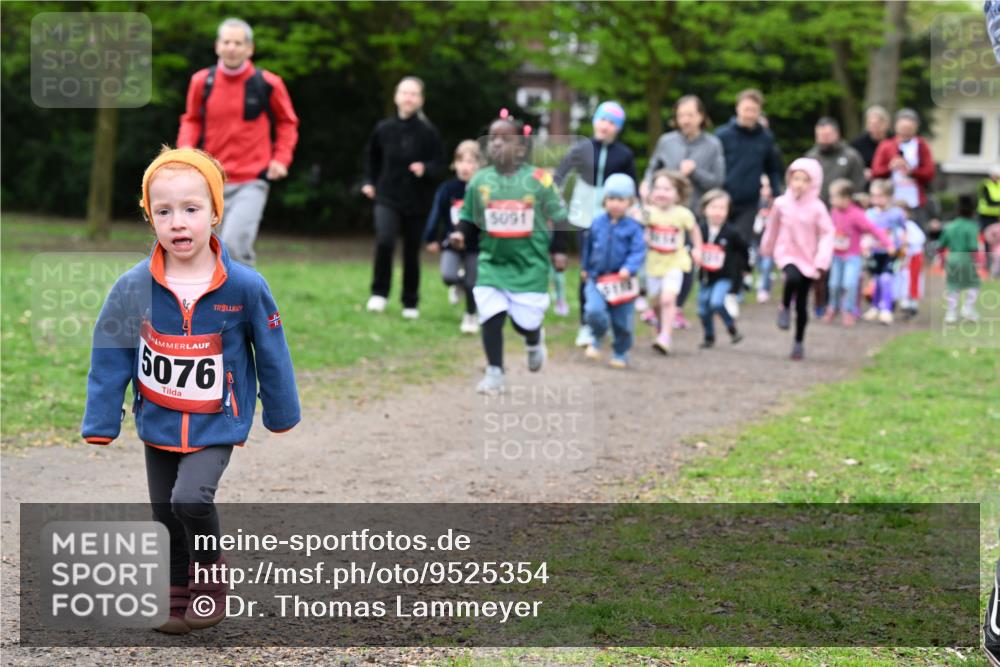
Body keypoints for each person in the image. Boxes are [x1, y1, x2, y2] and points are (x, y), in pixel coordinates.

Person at [81, 147, 301, 634]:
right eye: (164, 212)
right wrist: (101, 419)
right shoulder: (132, 286)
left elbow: (271, 349)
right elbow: (111, 351)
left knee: (190, 500)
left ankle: (210, 579)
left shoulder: (244, 285)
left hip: (217, 419)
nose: (178, 222)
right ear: (149, 217)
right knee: (164, 512)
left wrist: (280, 411)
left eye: (191, 209)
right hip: (157, 417)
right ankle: (178, 593)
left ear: (216, 212)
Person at [450, 110, 568, 394]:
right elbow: (468, 216)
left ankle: (533, 338)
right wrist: (460, 234)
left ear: (521, 146)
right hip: (492, 262)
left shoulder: (540, 179)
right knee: (490, 316)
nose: (497, 144)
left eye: (505, 139)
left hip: (530, 265)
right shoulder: (480, 181)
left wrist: (559, 251)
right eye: (492, 139)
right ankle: (494, 372)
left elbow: (560, 217)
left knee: (523, 323)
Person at [177, 18, 299, 267]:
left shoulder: (267, 84)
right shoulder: (202, 82)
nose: (231, 47)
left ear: (249, 49)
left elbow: (288, 122)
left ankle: (248, 303)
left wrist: (280, 159)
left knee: (234, 244)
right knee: (207, 250)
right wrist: (186, 150)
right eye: (226, 42)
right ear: (217, 46)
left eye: (238, 43)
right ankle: (211, 304)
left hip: (251, 180)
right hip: (210, 180)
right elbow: (191, 119)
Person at [553, 101, 636, 347]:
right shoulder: (582, 147)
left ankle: (608, 319)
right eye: (603, 120)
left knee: (611, 266)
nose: (606, 126)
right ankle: (586, 324)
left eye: (612, 123)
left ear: (618, 128)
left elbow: (631, 185)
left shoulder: (624, 154)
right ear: (595, 121)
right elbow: (561, 172)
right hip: (584, 212)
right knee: (588, 268)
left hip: (612, 214)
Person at [362, 76, 445, 319]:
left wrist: (425, 169)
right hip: (386, 196)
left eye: (414, 94)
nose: (408, 98)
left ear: (421, 100)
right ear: (396, 96)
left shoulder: (429, 132)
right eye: (404, 93)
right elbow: (371, 158)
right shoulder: (383, 129)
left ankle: (410, 301)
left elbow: (440, 164)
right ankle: (379, 293)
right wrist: (368, 182)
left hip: (417, 201)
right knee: (385, 240)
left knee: (411, 251)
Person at [642, 94, 725, 330]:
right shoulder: (667, 141)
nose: (685, 120)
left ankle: (675, 307)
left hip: (693, 214)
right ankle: (657, 305)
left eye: (690, 115)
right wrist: (647, 184)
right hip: (662, 214)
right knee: (659, 255)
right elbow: (652, 168)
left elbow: (718, 181)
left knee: (685, 260)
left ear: (701, 117)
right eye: (680, 115)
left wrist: (695, 171)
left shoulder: (712, 145)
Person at [759, 157, 834, 360]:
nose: (799, 183)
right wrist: (767, 248)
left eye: (804, 179)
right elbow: (772, 227)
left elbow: (827, 234)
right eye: (796, 178)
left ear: (814, 183)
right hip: (787, 252)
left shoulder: (818, 208)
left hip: (809, 257)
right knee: (791, 278)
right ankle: (784, 306)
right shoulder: (782, 203)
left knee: (802, 303)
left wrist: (821, 260)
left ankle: (798, 342)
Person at [580, 173, 646, 368]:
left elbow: (638, 251)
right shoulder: (597, 223)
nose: (615, 204)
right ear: (604, 200)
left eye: (620, 199)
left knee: (622, 322)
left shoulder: (634, 228)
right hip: (597, 278)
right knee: (593, 311)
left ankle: (620, 351)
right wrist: (585, 267)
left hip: (622, 282)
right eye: (611, 199)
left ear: (630, 202)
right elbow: (588, 247)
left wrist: (629, 267)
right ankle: (597, 336)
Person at [639, 170, 703, 355]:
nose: (661, 192)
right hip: (654, 263)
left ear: (678, 194)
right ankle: (660, 326)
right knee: (656, 302)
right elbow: (639, 226)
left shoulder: (683, 214)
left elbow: (694, 231)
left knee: (668, 299)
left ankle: (666, 336)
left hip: (676, 262)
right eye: (657, 188)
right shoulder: (648, 212)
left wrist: (698, 249)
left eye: (667, 189)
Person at [423, 140, 484, 334]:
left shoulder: (484, 190)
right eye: (462, 162)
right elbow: (436, 214)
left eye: (471, 162)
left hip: (476, 244)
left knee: (473, 282)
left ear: (479, 166)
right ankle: (457, 285)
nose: (466, 167)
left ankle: (470, 315)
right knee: (449, 276)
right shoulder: (447, 189)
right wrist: (430, 237)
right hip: (452, 242)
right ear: (455, 164)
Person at [716, 89, 784, 247]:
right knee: (719, 241)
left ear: (759, 112)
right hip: (723, 197)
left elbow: (772, 168)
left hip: (749, 201)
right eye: (746, 109)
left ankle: (738, 271)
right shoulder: (722, 135)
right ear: (737, 108)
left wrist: (776, 193)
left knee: (741, 241)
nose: (749, 114)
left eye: (754, 110)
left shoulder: (765, 138)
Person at [822, 179, 892, 327]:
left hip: (852, 257)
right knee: (833, 284)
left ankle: (848, 310)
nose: (831, 200)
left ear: (846, 198)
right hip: (837, 256)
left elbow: (873, 229)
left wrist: (888, 243)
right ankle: (833, 307)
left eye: (834, 197)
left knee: (849, 284)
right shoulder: (834, 212)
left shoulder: (856, 214)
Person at [870, 108, 936, 229]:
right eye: (902, 131)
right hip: (891, 203)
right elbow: (876, 172)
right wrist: (890, 167)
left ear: (915, 129)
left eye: (908, 131)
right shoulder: (886, 146)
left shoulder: (922, 146)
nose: (904, 135)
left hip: (915, 204)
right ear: (896, 128)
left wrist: (912, 172)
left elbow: (930, 173)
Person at [696, 189, 746, 348]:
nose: (717, 212)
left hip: (724, 277)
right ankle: (709, 336)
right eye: (713, 207)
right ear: (705, 209)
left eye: (721, 208)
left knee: (716, 302)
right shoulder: (699, 230)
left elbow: (744, 250)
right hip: (705, 277)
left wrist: (745, 270)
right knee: (703, 309)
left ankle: (731, 327)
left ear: (727, 211)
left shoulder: (732, 232)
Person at [862, 180, 908, 325]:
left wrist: (902, 247)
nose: (876, 200)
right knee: (876, 279)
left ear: (889, 196)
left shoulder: (896, 213)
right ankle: (875, 307)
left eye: (880, 196)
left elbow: (904, 230)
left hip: (891, 253)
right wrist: (865, 246)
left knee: (886, 279)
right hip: (875, 252)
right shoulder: (869, 214)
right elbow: (866, 233)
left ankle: (886, 309)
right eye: (873, 196)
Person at [937, 194, 983, 323]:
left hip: (952, 258)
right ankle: (968, 307)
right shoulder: (972, 226)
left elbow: (940, 246)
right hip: (966, 258)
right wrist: (978, 262)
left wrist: (941, 261)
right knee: (974, 284)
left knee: (953, 285)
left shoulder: (950, 226)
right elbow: (973, 247)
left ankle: (951, 313)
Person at [806, 117, 866, 206]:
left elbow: (859, 185)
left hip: (844, 210)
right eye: (819, 135)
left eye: (827, 135)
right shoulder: (810, 158)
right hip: (816, 210)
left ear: (837, 134)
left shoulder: (851, 156)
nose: (823, 139)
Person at [895, 201, 927, 320]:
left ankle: (912, 302)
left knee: (913, 278)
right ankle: (904, 300)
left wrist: (908, 241)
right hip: (902, 257)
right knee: (902, 278)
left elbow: (920, 238)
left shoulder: (910, 225)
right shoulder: (896, 226)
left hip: (914, 256)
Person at [850, 105, 892, 182]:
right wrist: (861, 171)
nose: (875, 127)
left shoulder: (894, 140)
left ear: (886, 124)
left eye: (878, 124)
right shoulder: (858, 143)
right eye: (871, 124)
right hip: (867, 182)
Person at [754, 175, 777, 303]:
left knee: (767, 265)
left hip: (770, 242)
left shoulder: (775, 203)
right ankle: (766, 280)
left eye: (767, 186)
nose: (764, 190)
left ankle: (763, 289)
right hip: (757, 240)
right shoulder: (754, 203)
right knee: (759, 265)